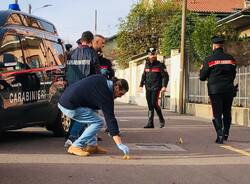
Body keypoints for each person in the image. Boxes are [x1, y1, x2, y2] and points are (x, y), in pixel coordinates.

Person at [58, 74, 129, 156]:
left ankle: (92, 146)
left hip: (66, 99)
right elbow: (110, 119)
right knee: (99, 121)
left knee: (94, 114)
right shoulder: (105, 96)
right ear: (116, 88)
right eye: (120, 94)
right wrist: (119, 143)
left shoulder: (102, 78)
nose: (120, 97)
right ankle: (75, 146)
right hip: (70, 106)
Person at [64, 31, 100, 147]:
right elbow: (97, 74)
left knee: (76, 114)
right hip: (86, 90)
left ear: (81, 39)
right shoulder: (92, 54)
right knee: (85, 114)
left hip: (71, 88)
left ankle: (75, 137)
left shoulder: (71, 53)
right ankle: (72, 138)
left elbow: (66, 71)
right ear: (91, 41)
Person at [199, 36, 237, 144]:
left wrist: (202, 70)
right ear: (222, 46)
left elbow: (202, 77)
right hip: (228, 89)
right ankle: (226, 134)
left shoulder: (209, 59)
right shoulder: (231, 59)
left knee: (217, 113)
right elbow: (233, 74)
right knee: (227, 112)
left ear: (214, 46)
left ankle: (219, 135)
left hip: (215, 90)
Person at [139, 47, 169, 128]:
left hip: (156, 87)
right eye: (150, 54)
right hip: (148, 87)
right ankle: (150, 123)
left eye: (153, 54)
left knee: (154, 103)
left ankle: (161, 119)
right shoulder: (146, 64)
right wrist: (141, 85)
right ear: (148, 55)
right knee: (149, 105)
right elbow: (144, 75)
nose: (152, 56)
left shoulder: (160, 65)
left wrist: (164, 86)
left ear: (155, 55)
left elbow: (165, 76)